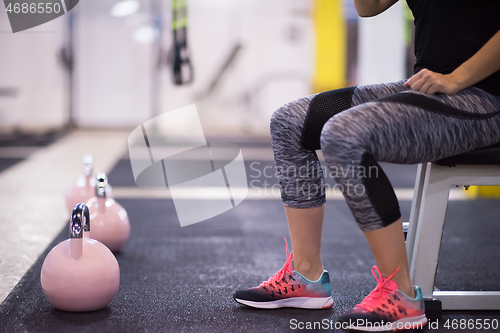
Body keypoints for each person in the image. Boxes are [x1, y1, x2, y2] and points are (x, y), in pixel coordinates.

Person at [233, 0, 500, 331]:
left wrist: (457, 79)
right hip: (429, 87)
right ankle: (306, 274)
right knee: (290, 122)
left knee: (344, 135)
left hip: (485, 96)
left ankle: (402, 294)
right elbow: (368, 7)